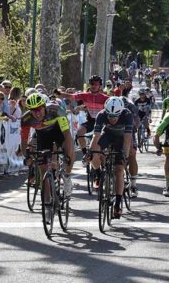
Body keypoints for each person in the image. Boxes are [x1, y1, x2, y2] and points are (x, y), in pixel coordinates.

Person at [21, 93, 74, 222]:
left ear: (44, 106)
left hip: (59, 132)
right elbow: (23, 141)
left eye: (39, 109)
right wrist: (27, 156)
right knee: (43, 170)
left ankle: (67, 177)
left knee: (69, 151)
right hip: (43, 137)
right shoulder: (26, 119)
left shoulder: (56, 111)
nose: (37, 113)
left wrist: (67, 155)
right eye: (33, 110)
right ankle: (47, 205)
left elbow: (67, 135)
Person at [88, 97, 133, 219]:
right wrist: (91, 152)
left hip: (122, 138)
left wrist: (125, 154)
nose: (112, 119)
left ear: (120, 112)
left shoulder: (127, 115)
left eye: (115, 116)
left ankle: (117, 203)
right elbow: (96, 136)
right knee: (94, 153)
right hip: (107, 134)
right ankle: (98, 173)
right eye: (110, 116)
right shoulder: (101, 114)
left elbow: (128, 138)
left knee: (119, 169)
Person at [56, 75, 109, 164]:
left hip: (102, 122)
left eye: (96, 84)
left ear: (100, 85)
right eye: (92, 84)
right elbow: (70, 96)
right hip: (90, 122)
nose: (94, 86)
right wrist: (57, 92)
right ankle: (85, 154)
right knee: (79, 133)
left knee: (101, 151)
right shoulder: (85, 95)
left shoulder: (105, 98)